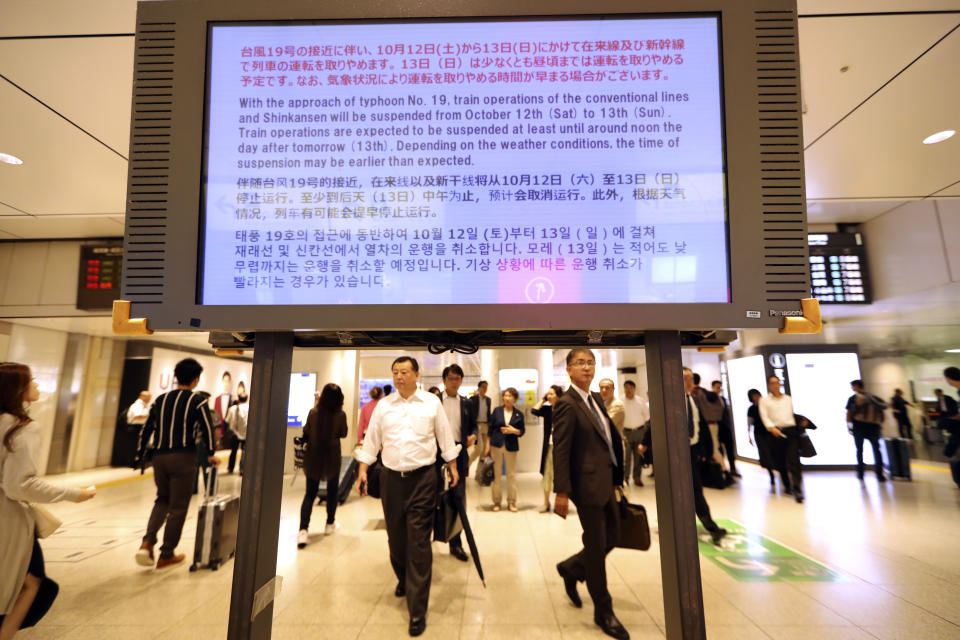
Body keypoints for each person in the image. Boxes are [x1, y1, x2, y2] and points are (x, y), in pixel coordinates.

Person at [355, 356, 459, 638]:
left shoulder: (430, 403)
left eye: (404, 372)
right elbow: (372, 439)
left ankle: (417, 610)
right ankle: (403, 577)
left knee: (419, 543)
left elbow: (444, 436)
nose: (399, 377)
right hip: (391, 480)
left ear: (416, 374)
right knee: (397, 540)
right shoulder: (384, 406)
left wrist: (452, 465)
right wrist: (363, 469)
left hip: (423, 480)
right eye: (395, 372)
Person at [0, 362, 96, 638]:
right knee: (32, 582)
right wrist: (73, 494)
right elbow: (19, 486)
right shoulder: (21, 427)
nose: (37, 385)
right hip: (8, 520)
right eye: (31, 381)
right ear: (16, 389)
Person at [553, 349, 628, 640]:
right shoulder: (567, 404)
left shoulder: (596, 398)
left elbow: (606, 440)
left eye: (590, 363)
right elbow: (560, 449)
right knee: (597, 548)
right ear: (569, 370)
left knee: (613, 536)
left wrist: (616, 477)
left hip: (607, 482)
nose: (586, 368)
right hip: (586, 487)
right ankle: (603, 611)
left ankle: (571, 567)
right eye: (580, 363)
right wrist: (561, 490)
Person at [135, 357, 218, 570]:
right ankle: (166, 554)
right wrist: (210, 453)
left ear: (176, 377)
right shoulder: (197, 401)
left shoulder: (160, 401)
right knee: (178, 507)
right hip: (183, 457)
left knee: (162, 499)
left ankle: (147, 542)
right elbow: (207, 429)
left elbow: (146, 430)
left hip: (159, 457)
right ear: (196, 379)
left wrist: (141, 455)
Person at [681, 367, 728, 544]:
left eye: (691, 378)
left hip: (693, 452)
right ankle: (710, 526)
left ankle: (706, 524)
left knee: (694, 490)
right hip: (679, 454)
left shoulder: (693, 399)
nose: (689, 381)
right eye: (685, 378)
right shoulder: (672, 401)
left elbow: (700, 426)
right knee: (694, 490)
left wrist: (704, 452)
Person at [298, 383, 349, 547]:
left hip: (314, 455)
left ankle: (303, 531)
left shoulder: (313, 413)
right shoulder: (341, 415)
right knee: (332, 491)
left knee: (309, 494)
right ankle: (329, 524)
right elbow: (344, 433)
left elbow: (306, 431)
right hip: (332, 456)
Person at [437, 364, 477, 561]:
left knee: (458, 500)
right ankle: (427, 542)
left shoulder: (467, 403)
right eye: (451, 378)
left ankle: (456, 544)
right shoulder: (434, 401)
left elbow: (474, 426)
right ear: (444, 380)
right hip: (435, 456)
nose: (454, 382)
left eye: (458, 378)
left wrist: (473, 435)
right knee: (431, 499)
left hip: (459, 455)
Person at [759, 375, 806, 501]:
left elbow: (792, 414)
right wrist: (771, 427)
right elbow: (764, 417)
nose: (776, 385)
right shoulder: (764, 401)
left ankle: (797, 489)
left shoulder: (788, 399)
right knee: (780, 462)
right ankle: (787, 485)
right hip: (776, 432)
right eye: (773, 383)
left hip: (791, 431)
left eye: (777, 382)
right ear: (769, 385)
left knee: (794, 461)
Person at [484, 387, 525, 512]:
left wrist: (514, 431)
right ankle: (497, 502)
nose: (507, 398)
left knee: (511, 475)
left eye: (510, 396)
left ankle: (511, 502)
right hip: (496, 445)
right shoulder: (497, 411)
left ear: (515, 399)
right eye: (505, 395)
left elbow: (522, 431)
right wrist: (487, 446)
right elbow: (490, 429)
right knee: (496, 475)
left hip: (511, 446)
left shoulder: (519, 414)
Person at [845, 380, 887, 482]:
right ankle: (879, 474)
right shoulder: (873, 397)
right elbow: (882, 411)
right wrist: (880, 424)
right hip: (873, 427)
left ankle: (861, 473)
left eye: (852, 386)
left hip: (859, 428)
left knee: (859, 450)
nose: (852, 388)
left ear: (856, 386)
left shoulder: (853, 398)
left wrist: (849, 426)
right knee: (877, 451)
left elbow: (849, 413)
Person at [532, 385, 564, 513]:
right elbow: (534, 410)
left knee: (559, 476)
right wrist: (543, 399)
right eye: (548, 394)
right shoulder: (547, 409)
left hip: (561, 446)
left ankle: (559, 503)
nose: (549, 396)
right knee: (546, 474)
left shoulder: (564, 409)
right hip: (548, 446)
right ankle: (546, 503)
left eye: (551, 394)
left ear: (558, 395)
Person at [746, 388, 783, 491]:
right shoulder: (752, 409)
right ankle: (771, 473)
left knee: (773, 452)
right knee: (765, 454)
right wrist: (749, 435)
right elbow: (749, 422)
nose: (756, 398)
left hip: (770, 432)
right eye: (753, 396)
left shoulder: (767, 406)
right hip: (759, 434)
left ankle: (778, 471)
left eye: (757, 395)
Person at [620, 381, 649, 487]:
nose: (628, 390)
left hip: (639, 431)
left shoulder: (641, 401)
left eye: (631, 388)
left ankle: (637, 478)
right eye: (626, 388)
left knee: (638, 456)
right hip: (626, 432)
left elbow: (646, 417)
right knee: (626, 457)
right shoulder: (620, 401)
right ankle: (625, 478)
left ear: (634, 388)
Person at [711, 380, 740, 477]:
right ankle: (723, 470)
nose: (719, 389)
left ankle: (733, 469)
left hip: (726, 428)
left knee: (730, 449)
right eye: (717, 387)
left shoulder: (723, 399)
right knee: (719, 451)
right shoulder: (711, 399)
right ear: (713, 387)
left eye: (720, 387)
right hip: (717, 428)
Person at [224, 382, 248, 475]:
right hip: (246, 432)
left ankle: (230, 467)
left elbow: (227, 420)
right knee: (244, 451)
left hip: (234, 433)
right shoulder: (250, 408)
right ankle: (242, 469)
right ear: (247, 399)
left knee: (233, 451)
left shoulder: (232, 409)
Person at [468, 380, 492, 471]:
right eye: (483, 387)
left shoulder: (488, 400)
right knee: (479, 448)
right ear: (479, 388)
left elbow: (488, 413)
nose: (485, 389)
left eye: (486, 387)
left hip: (486, 425)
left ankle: (479, 471)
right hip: (477, 425)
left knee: (485, 449)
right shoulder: (473, 399)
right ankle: (467, 465)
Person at [212, 371, 233, 445]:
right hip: (218, 432)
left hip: (229, 433)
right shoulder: (217, 399)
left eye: (227, 381)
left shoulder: (232, 400)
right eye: (224, 381)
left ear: (230, 382)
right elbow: (215, 417)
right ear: (222, 381)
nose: (226, 383)